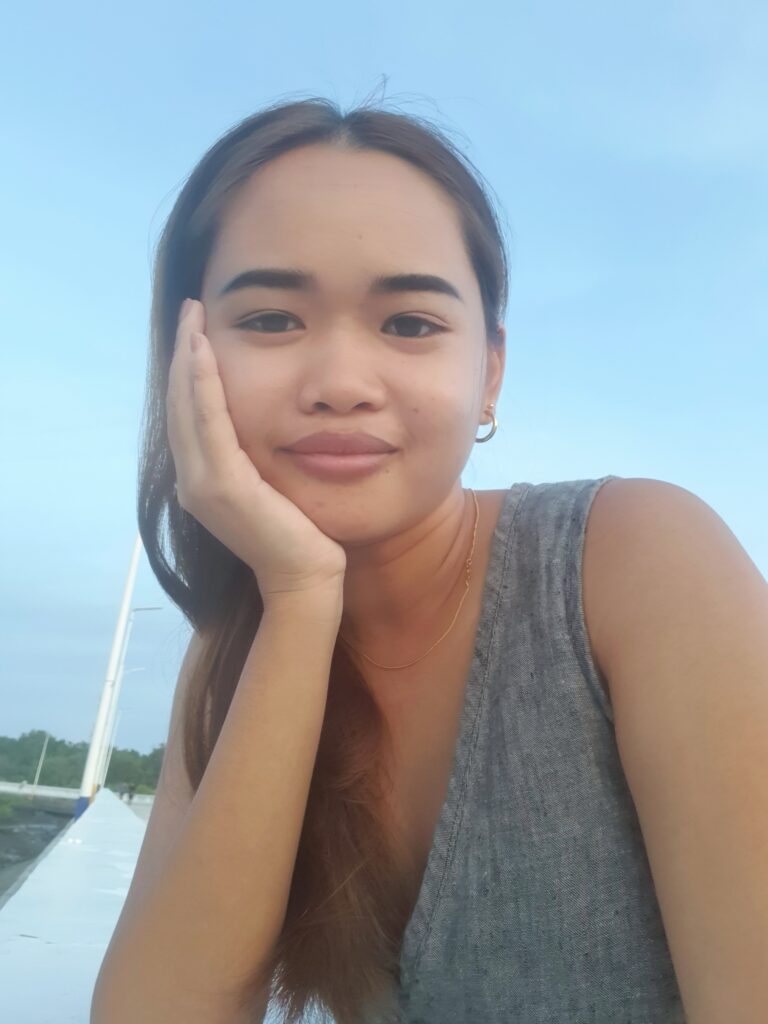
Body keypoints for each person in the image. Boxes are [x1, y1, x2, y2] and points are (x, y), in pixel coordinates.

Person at [92, 96, 739, 1024]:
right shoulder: (235, 653)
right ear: (186, 353)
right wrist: (300, 599)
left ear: (490, 372)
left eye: (409, 325)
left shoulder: (633, 563)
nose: (341, 385)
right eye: (271, 319)